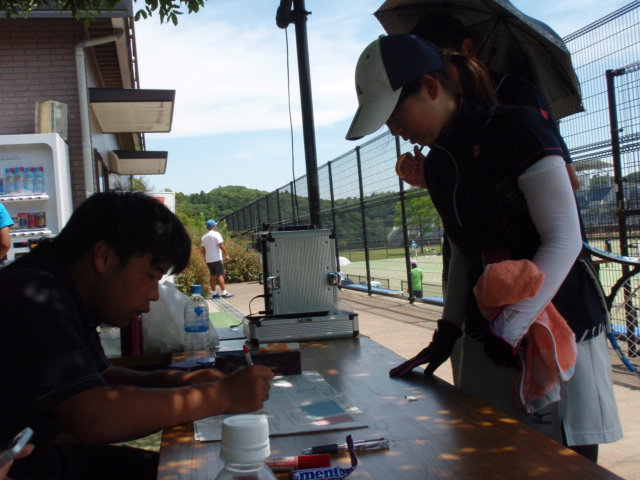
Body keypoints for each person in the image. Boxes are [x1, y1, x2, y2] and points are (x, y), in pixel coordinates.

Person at [346, 34, 622, 462]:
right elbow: (462, 251)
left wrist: (511, 325)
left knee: (564, 462)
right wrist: (449, 329)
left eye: (396, 114)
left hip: (558, 321)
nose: (395, 130)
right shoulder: (438, 162)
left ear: (431, 87)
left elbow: (564, 238)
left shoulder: (517, 126)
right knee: (489, 456)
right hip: (491, 330)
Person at [0, 192, 274, 480]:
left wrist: (180, 381)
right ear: (104, 256)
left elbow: (104, 376)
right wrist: (222, 395)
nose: (155, 295)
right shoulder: (32, 295)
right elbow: (94, 417)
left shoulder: (63, 290)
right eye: (152, 276)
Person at [202, 219, 234, 299]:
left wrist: (205, 258)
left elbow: (203, 249)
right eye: (216, 225)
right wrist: (227, 255)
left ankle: (214, 293)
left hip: (209, 259)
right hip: (217, 258)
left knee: (213, 276)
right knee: (221, 275)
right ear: (213, 226)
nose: (216, 226)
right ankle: (224, 292)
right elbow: (221, 245)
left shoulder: (204, 236)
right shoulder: (216, 234)